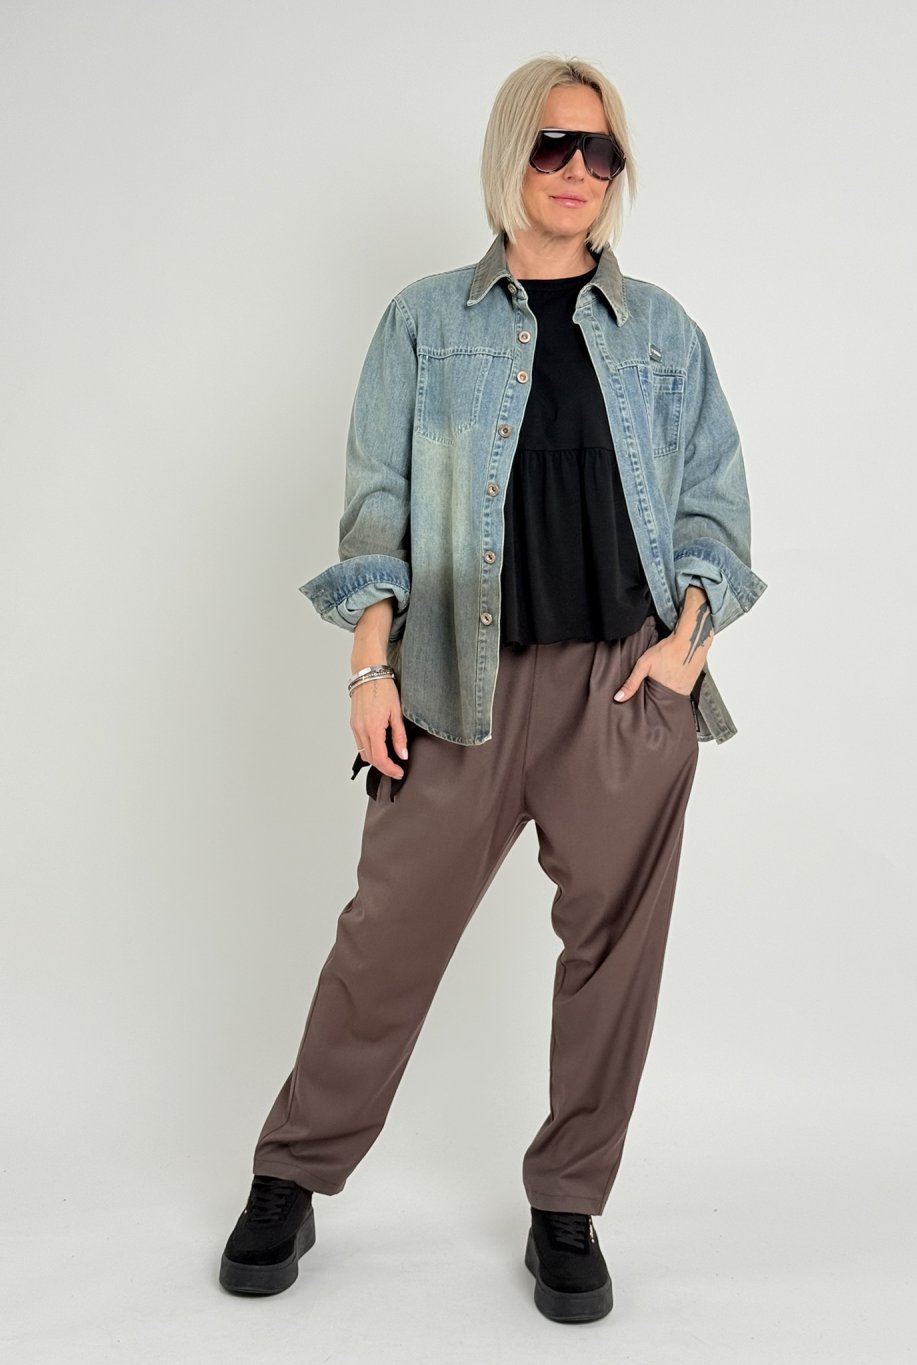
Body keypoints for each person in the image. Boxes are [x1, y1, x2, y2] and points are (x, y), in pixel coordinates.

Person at [218, 54, 767, 1323]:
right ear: (510, 156)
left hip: (622, 690)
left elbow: (711, 504)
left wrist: (686, 646)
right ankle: (292, 1171)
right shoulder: (425, 320)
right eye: (550, 146)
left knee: (613, 958)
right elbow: (376, 504)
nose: (576, 171)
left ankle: (567, 1201)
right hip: (455, 682)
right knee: (385, 940)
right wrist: (369, 662)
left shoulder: (662, 331)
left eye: (599, 151)